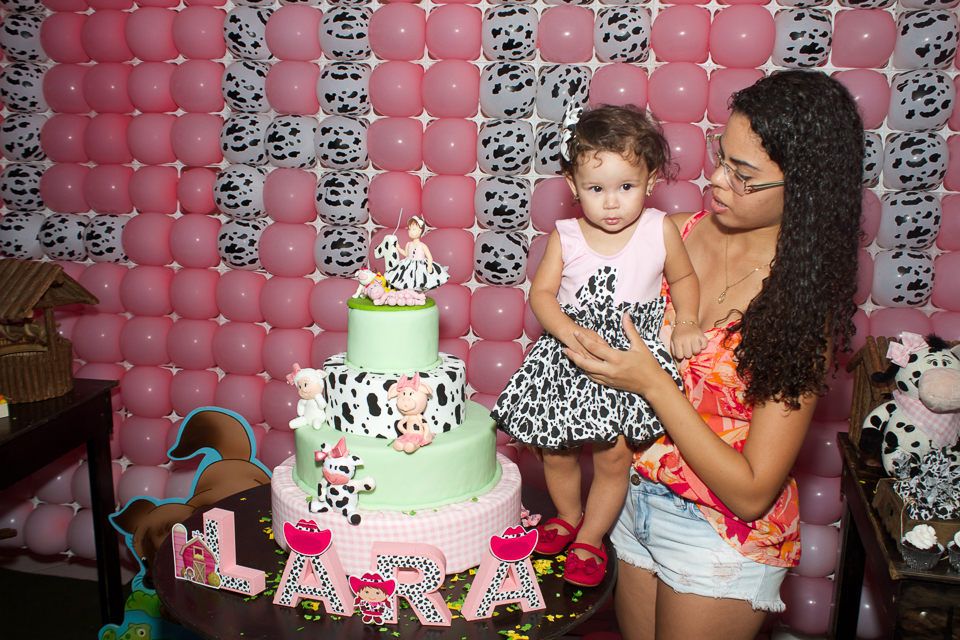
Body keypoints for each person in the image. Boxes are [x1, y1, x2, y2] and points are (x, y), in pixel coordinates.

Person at [565, 70, 864, 638]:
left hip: (721, 533)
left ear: (802, 187)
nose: (717, 181)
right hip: (635, 501)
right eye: (721, 157)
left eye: (743, 174)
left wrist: (654, 384)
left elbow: (752, 491)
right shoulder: (671, 234)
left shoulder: (800, 310)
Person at [492, 104, 708, 588]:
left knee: (613, 455)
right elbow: (542, 295)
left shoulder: (659, 229)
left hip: (630, 359)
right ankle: (567, 515)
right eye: (596, 189)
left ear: (650, 180)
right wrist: (569, 332)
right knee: (558, 449)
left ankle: (591, 535)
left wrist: (688, 321)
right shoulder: (566, 235)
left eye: (625, 187)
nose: (611, 203)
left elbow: (685, 277)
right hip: (569, 357)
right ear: (573, 186)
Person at [383, 216, 449, 292]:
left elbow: (430, 257)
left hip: (420, 266)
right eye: (409, 229)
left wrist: (429, 266)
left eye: (413, 229)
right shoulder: (408, 244)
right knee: (408, 280)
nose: (411, 231)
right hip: (408, 264)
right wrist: (398, 248)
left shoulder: (423, 246)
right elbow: (405, 253)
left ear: (420, 230)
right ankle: (411, 295)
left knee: (419, 280)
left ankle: (419, 295)